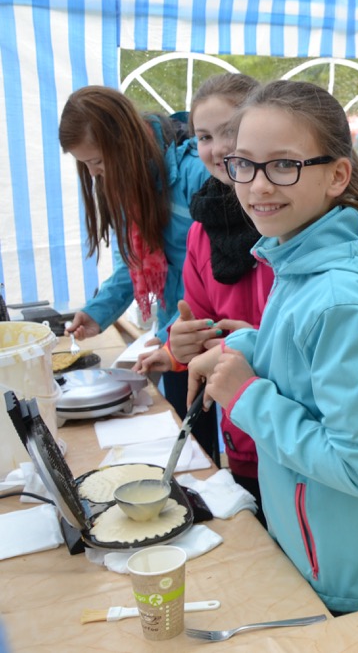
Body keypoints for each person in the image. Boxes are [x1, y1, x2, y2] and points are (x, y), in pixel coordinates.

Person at [186, 80, 358, 613]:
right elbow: (304, 362)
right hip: (323, 547)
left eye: (285, 165)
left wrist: (245, 397)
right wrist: (243, 345)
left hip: (357, 577)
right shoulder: (300, 258)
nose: (259, 185)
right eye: (243, 163)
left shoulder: (339, 297)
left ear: (338, 175)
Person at [135, 74, 271, 503]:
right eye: (205, 136)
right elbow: (199, 316)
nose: (218, 148)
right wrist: (180, 345)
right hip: (241, 424)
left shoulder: (286, 223)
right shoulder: (201, 231)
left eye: (230, 131)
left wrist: (242, 342)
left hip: (295, 427)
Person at [59, 85, 208, 413]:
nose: (94, 173)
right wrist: (98, 312)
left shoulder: (195, 171)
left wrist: (173, 339)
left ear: (124, 141)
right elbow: (133, 264)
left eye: (97, 161)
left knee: (212, 438)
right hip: (174, 334)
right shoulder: (128, 185)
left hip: (205, 333)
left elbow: (216, 274)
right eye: (86, 165)